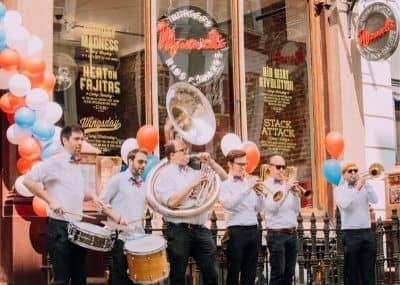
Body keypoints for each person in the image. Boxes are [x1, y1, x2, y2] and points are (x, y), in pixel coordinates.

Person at [23, 124, 95, 285]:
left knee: (79, 279)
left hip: (78, 228)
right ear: (64, 140)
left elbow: (81, 194)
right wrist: (50, 200)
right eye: (76, 139)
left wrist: (96, 198)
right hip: (58, 228)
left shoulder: (77, 164)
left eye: (82, 139)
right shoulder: (54, 163)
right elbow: (28, 180)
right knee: (62, 280)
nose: (80, 143)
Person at [155, 138, 227, 285]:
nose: (187, 152)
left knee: (212, 274)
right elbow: (172, 202)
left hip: (200, 229)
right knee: (178, 276)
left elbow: (224, 179)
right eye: (182, 150)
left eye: (187, 150)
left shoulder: (193, 171)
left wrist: (210, 163)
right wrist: (193, 184)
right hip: (178, 230)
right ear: (172, 155)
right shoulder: (164, 174)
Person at [96, 148, 148, 285]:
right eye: (140, 161)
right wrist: (118, 218)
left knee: (137, 280)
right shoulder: (117, 180)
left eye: (145, 162)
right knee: (120, 280)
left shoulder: (143, 185)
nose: (143, 165)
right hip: (120, 238)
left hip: (138, 238)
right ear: (130, 161)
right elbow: (100, 204)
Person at [219, 149, 265, 285]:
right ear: (230, 164)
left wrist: (259, 194)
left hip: (253, 230)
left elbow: (258, 208)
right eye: (239, 164)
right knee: (233, 273)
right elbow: (229, 204)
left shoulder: (248, 183)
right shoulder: (225, 185)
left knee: (250, 274)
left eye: (244, 164)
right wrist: (247, 189)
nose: (243, 167)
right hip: (236, 232)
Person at [334, 161, 378, 285]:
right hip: (350, 234)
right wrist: (357, 188)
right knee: (351, 272)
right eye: (350, 171)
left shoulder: (364, 187)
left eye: (355, 170)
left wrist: (367, 184)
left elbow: (375, 199)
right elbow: (345, 204)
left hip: (367, 232)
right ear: (344, 175)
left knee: (368, 271)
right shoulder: (339, 190)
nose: (354, 173)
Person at [264, 154, 300, 285]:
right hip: (276, 235)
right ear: (270, 168)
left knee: (289, 274)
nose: (281, 170)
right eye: (278, 167)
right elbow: (272, 207)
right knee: (278, 274)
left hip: (292, 234)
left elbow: (296, 210)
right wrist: (285, 190)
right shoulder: (266, 185)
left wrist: (296, 195)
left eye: (283, 167)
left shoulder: (287, 185)